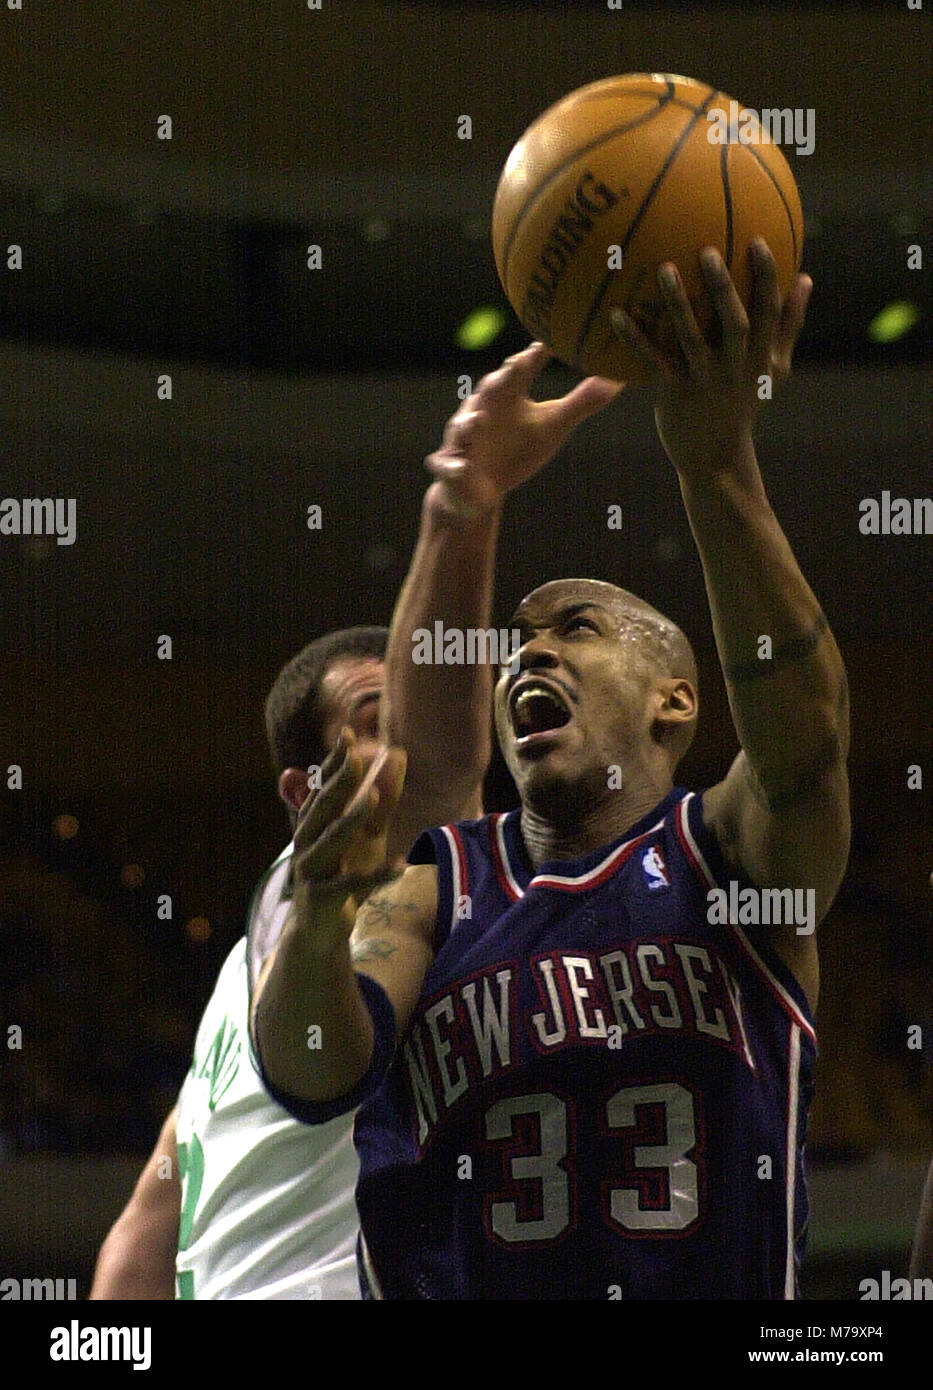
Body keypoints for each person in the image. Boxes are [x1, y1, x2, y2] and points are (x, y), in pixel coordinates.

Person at [254, 240, 852, 1299]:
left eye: (577, 627)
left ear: (677, 699)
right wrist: (315, 912)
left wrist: (715, 460)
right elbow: (308, 1069)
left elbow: (807, 747)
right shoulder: (435, 886)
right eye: (518, 641)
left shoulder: (732, 854)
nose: (530, 651)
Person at [90, 353, 618, 1298]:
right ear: (304, 792)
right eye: (378, 724)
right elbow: (152, 1211)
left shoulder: (266, 961)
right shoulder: (324, 896)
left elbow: (149, 1210)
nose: (408, 748)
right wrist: (464, 499)